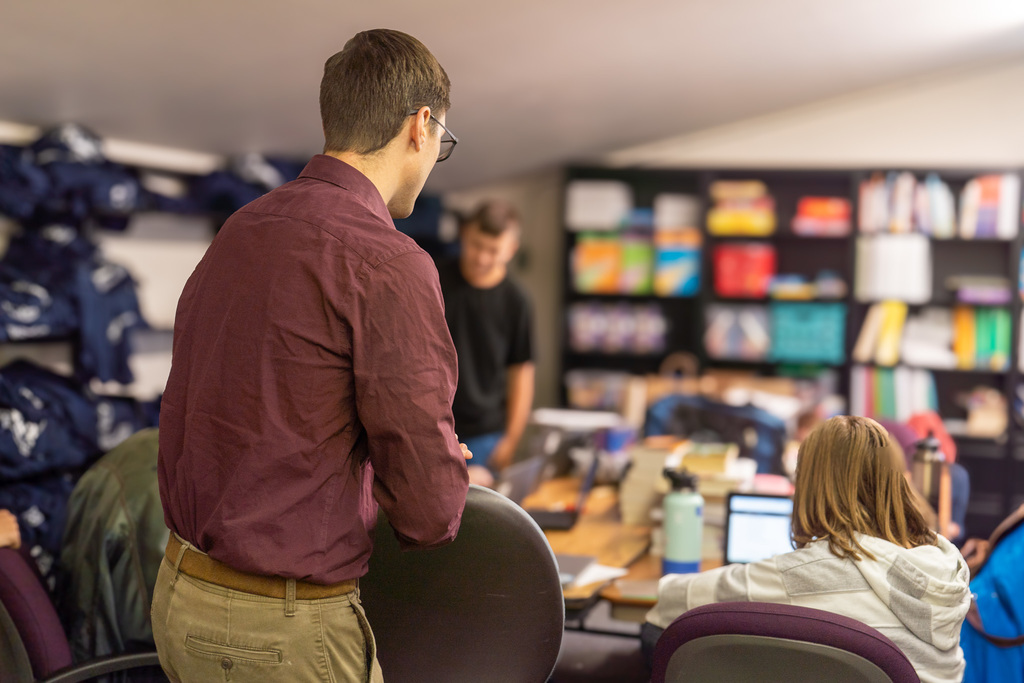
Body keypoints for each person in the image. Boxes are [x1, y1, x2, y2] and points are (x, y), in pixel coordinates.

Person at [151, 29, 470, 683]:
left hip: (180, 596)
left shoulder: (241, 228)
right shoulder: (388, 261)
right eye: (445, 140)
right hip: (276, 628)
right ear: (421, 126)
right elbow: (431, 509)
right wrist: (435, 468)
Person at [642, 415, 970, 683]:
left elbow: (672, 600)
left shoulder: (809, 571)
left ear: (809, 487)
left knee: (662, 633)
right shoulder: (946, 567)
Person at [437, 200, 534, 479]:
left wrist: (511, 441)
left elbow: (521, 374)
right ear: (465, 234)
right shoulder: (434, 279)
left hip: (487, 435)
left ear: (511, 249)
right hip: (435, 425)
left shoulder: (517, 301)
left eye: (493, 251)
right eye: (476, 245)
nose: (481, 257)